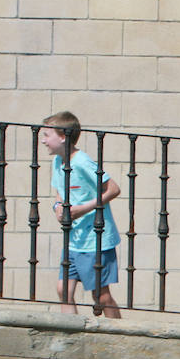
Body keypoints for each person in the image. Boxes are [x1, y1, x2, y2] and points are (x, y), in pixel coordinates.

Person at [40, 111, 123, 319]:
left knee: (101, 296)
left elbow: (113, 189)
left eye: (47, 135)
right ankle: (70, 335)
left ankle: (119, 333)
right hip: (74, 239)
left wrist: (82, 209)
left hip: (95, 240)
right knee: (63, 290)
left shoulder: (82, 162)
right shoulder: (57, 162)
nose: (43, 140)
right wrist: (58, 205)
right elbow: (59, 190)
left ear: (63, 137)